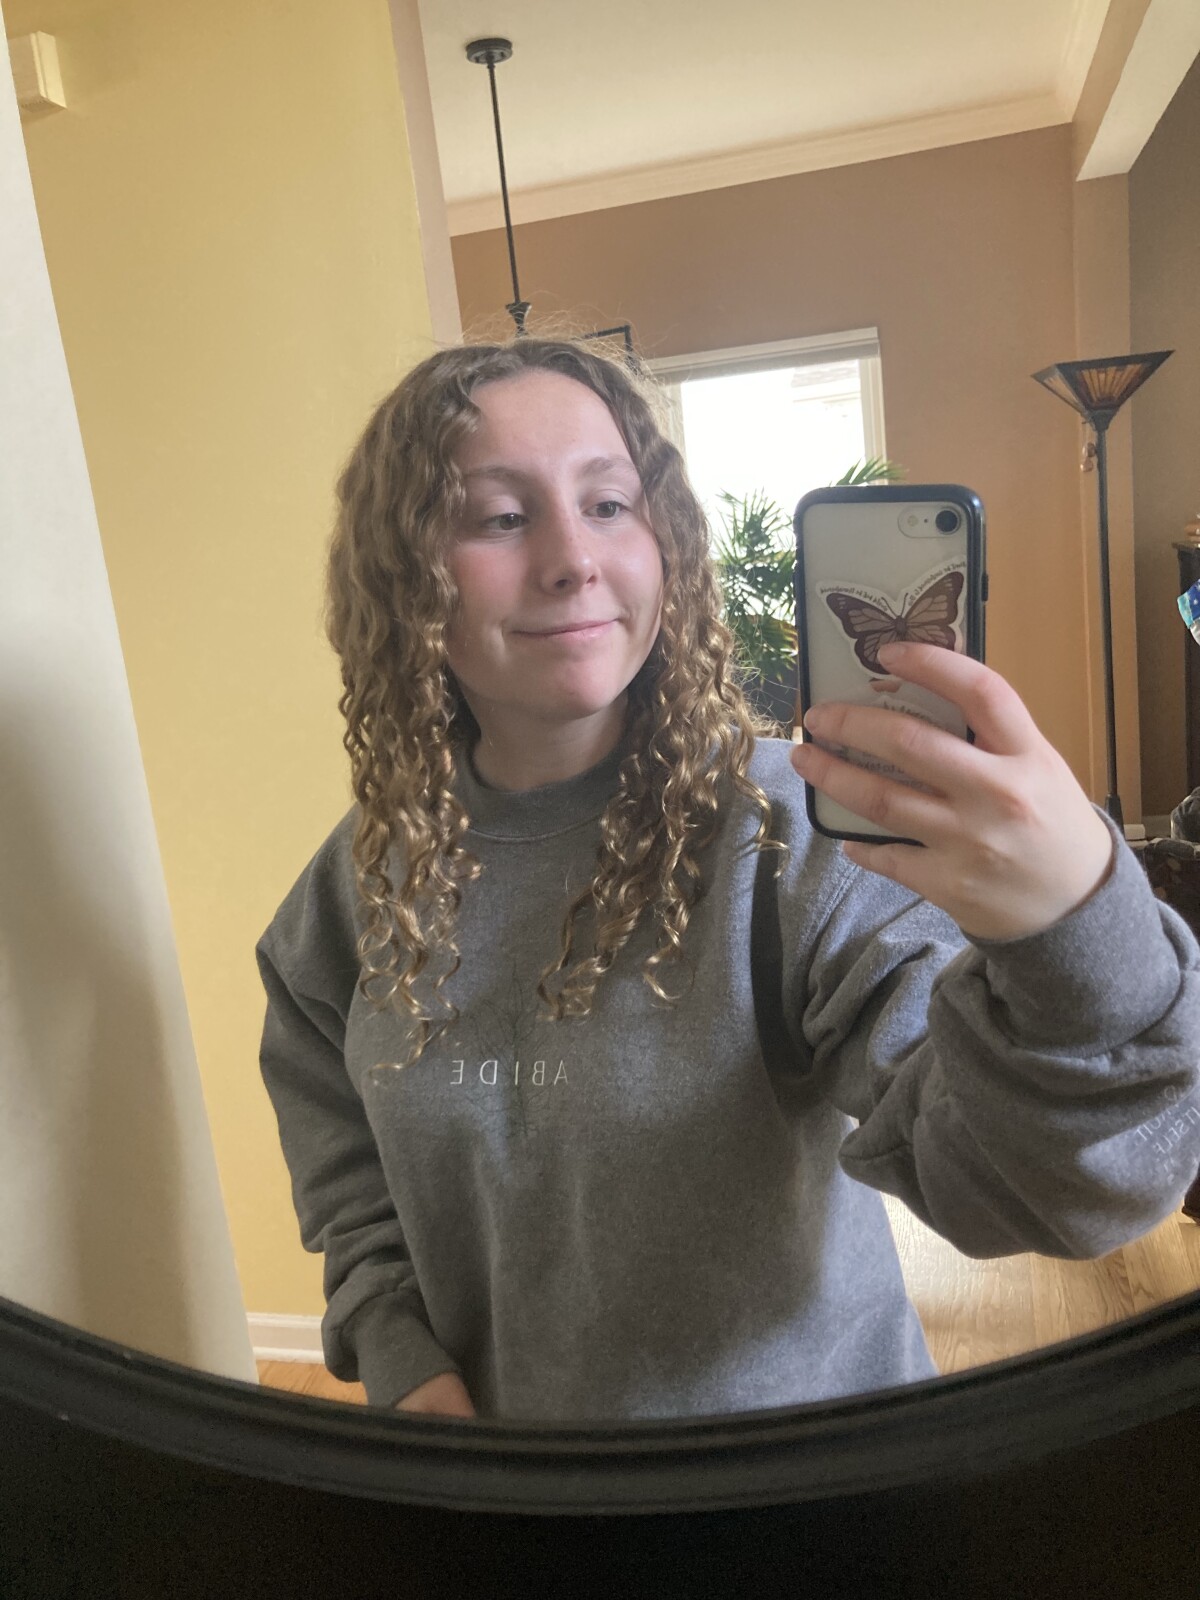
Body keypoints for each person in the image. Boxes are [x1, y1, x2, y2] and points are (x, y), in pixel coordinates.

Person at [256, 335, 1200, 1425]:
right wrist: (407, 1366)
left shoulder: (789, 836)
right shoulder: (352, 893)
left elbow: (1056, 1190)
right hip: (514, 1498)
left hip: (811, 1491)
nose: (573, 558)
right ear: (403, 577)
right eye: (501, 517)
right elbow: (352, 1189)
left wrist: (1074, 928)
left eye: (609, 504)